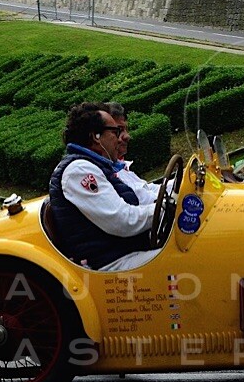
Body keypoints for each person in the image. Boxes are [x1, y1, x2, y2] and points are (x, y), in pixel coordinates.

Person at [48, 102, 161, 271]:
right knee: (192, 254)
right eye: (115, 132)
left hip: (129, 250)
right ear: (96, 136)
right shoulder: (79, 171)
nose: (120, 138)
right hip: (113, 263)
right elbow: (123, 221)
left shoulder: (96, 166)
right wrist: (167, 207)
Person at [107, 102, 164, 206]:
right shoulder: (108, 174)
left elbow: (147, 188)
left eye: (126, 129)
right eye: (118, 131)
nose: (127, 136)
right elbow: (147, 201)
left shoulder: (119, 165)